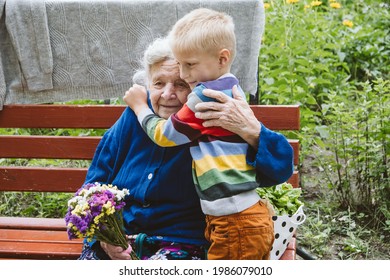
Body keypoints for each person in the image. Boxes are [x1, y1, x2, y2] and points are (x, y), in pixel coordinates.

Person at [123, 9, 293, 260]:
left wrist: (139, 107)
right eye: (180, 65)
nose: (183, 74)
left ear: (222, 59)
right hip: (233, 219)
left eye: (189, 66)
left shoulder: (205, 97)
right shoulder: (230, 87)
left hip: (235, 220)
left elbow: (164, 135)